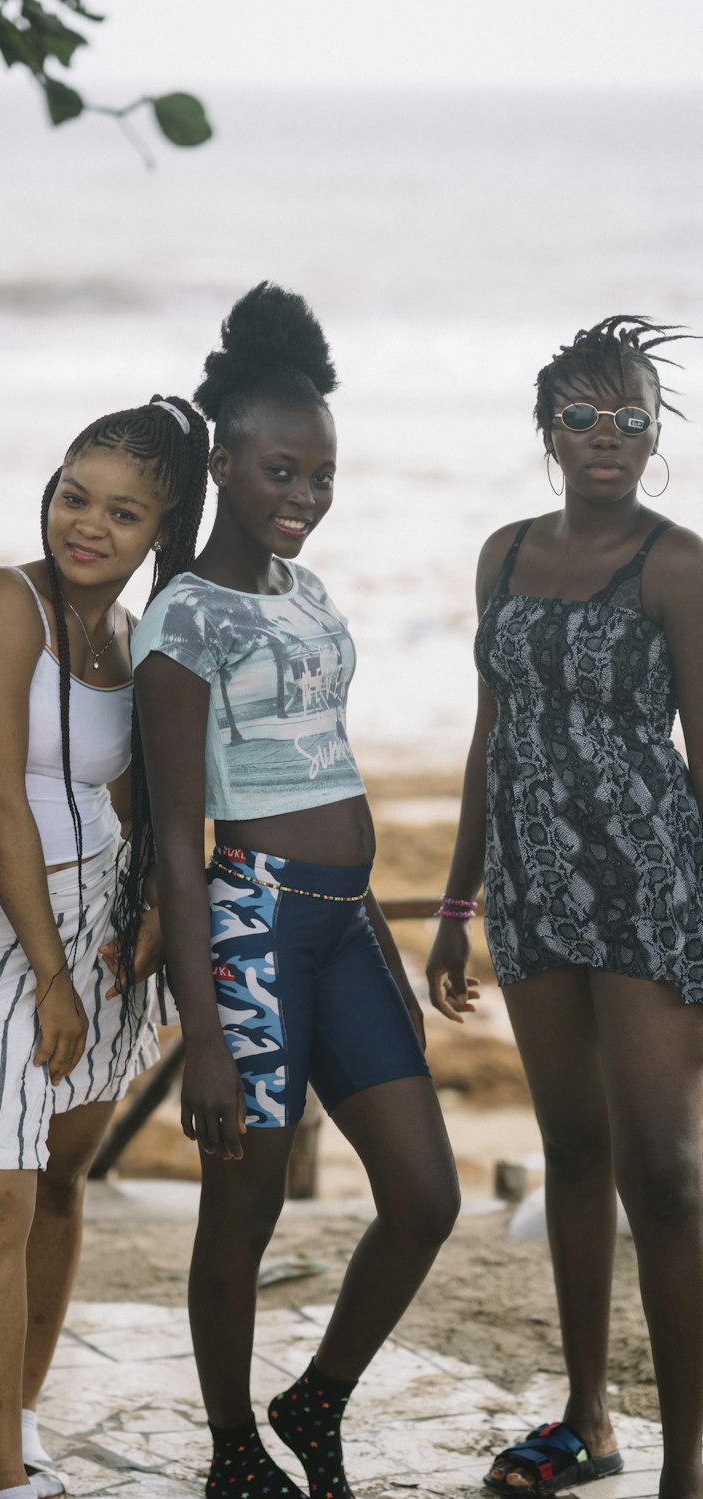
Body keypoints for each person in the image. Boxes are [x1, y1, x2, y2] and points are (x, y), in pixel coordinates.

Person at [131, 283, 462, 1499]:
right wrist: (202, 1035)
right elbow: (177, 840)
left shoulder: (305, 595)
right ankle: (231, 1449)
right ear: (222, 461)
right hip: (254, 928)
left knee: (426, 1194)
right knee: (246, 1205)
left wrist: (373, 928)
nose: (304, 499)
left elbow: (329, 760)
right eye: (280, 471)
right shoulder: (182, 620)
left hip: (343, 925)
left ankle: (312, 1400)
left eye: (320, 477)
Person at [426, 317, 703, 1499]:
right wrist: (456, 899)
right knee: (573, 1150)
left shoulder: (680, 564)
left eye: (630, 416)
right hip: (533, 893)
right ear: (548, 430)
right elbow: (494, 733)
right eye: (584, 415)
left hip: (647, 889)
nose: (608, 436)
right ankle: (587, 1419)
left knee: (666, 1167)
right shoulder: (500, 555)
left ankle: (686, 1462)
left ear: (653, 435)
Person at [0, 394, 209, 1499]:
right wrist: (48, 975)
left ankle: (23, 1413)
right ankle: (2, 1477)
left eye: (123, 512)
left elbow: (136, 799)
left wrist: (142, 914)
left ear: (160, 529)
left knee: (57, 1175)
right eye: (72, 495)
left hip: (96, 924)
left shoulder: (132, 638)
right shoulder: (4, 603)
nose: (86, 524)